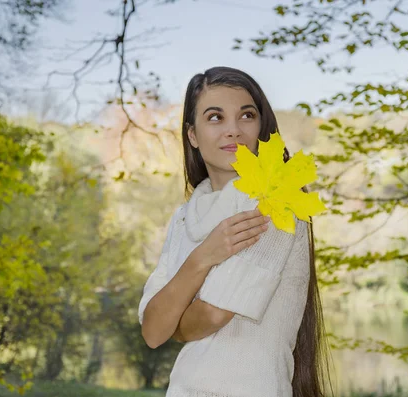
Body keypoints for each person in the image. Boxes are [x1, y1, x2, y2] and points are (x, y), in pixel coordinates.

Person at [138, 66, 332, 397]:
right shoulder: (184, 218)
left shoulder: (276, 203)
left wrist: (176, 315)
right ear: (193, 136)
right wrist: (202, 259)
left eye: (246, 116)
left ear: (262, 127)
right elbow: (154, 331)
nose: (233, 131)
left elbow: (213, 314)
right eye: (215, 118)